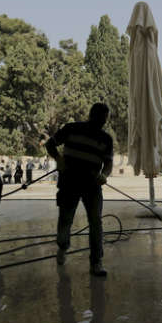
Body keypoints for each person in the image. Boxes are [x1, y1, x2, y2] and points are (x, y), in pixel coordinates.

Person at [45, 102, 113, 277]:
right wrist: (59, 159)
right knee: (65, 220)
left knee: (96, 223)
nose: (102, 122)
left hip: (92, 185)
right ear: (92, 115)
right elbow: (50, 144)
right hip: (69, 183)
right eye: (100, 118)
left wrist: (104, 175)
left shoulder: (106, 139)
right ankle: (62, 246)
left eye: (105, 119)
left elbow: (108, 163)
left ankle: (96, 262)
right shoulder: (71, 129)